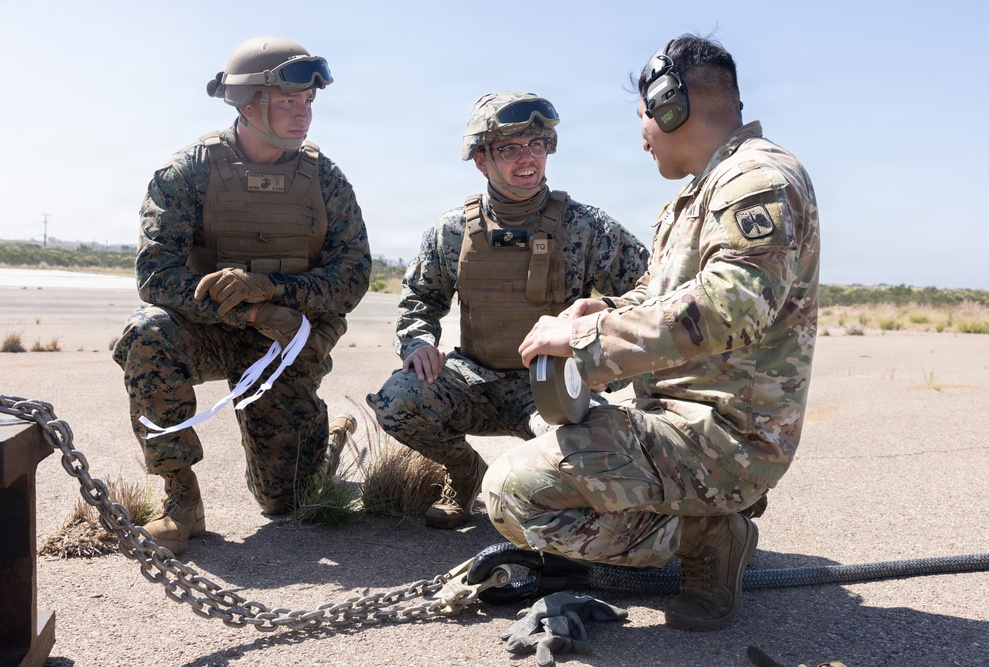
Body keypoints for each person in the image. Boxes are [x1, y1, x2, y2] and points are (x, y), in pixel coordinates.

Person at [482, 34, 821, 631]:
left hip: (726, 437)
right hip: (682, 420)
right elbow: (662, 295)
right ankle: (701, 517)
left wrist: (587, 340)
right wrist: (604, 308)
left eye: (641, 115)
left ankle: (707, 535)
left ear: (670, 106)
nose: (640, 134)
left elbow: (731, 306)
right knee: (545, 425)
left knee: (513, 491)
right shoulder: (698, 193)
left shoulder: (756, 180)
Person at [112, 36, 371, 554]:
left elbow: (353, 275)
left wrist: (277, 289)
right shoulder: (188, 172)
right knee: (147, 333)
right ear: (248, 103)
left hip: (285, 343)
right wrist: (254, 311)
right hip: (208, 329)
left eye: (308, 102)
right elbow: (156, 276)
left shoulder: (325, 179)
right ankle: (180, 498)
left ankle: (326, 445)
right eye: (289, 101)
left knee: (287, 502)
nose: (304, 114)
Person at [367, 91, 650, 530]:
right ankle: (464, 474)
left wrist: (602, 349)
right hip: (472, 381)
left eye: (536, 145)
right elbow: (419, 297)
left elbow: (650, 294)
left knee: (595, 447)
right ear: (481, 160)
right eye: (510, 149)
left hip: (553, 385)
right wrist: (418, 342)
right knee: (396, 400)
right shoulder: (452, 230)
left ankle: (557, 505)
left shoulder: (586, 226)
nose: (527, 158)